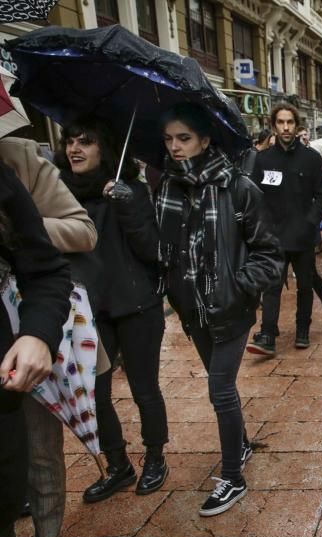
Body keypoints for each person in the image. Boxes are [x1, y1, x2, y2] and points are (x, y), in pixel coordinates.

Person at [155, 103, 282, 516]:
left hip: (229, 308)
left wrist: (237, 288)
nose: (175, 147)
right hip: (193, 309)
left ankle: (233, 477)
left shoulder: (238, 187)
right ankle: (241, 443)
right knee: (217, 381)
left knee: (220, 389)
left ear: (205, 141)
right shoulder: (168, 189)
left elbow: (269, 253)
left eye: (184, 138)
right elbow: (163, 252)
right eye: (170, 139)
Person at [55, 119, 170, 511]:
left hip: (137, 306)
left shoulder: (131, 190)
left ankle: (155, 457)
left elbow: (153, 250)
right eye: (70, 141)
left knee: (144, 389)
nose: (75, 148)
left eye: (85, 141)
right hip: (90, 310)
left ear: (105, 148)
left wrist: (128, 205)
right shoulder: (60, 194)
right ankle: (118, 465)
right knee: (94, 395)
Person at [0, 135, 95, 537]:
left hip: (27, 324)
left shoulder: (17, 160)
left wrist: (19, 226)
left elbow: (82, 230)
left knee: (39, 448)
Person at [0, 160, 72, 537]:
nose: (76, 148)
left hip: (17, 349)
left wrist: (37, 333)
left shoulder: (17, 162)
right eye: (72, 140)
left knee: (41, 453)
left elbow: (69, 243)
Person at [248, 102, 322, 355]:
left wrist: (309, 221)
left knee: (305, 286)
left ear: (296, 125)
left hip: (303, 236)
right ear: (273, 126)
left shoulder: (311, 158)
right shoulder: (263, 160)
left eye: (290, 122)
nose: (285, 127)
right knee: (271, 287)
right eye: (281, 122)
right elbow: (255, 197)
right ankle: (268, 335)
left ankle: (302, 331)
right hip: (273, 237)